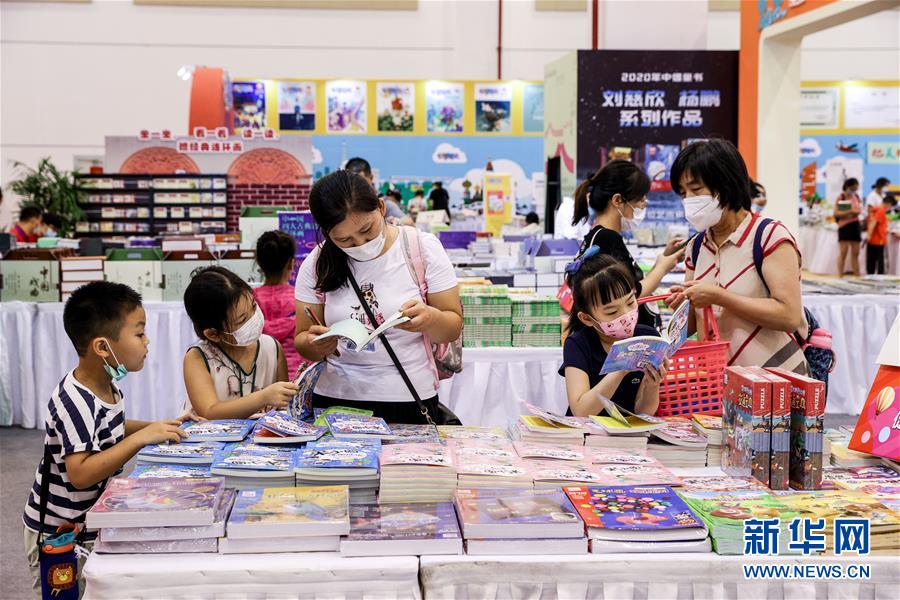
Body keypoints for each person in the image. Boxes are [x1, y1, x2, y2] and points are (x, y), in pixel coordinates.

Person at [22, 281, 191, 597]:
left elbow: (110, 428)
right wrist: (141, 439)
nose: (147, 341)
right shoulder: (75, 400)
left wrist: (154, 426)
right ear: (102, 347)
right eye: (139, 333)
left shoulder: (107, 386)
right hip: (58, 534)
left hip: (86, 524)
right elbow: (81, 474)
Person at [293, 170, 462, 423]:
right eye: (345, 240)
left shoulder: (421, 248)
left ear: (381, 207)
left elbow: (452, 327)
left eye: (367, 230)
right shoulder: (317, 263)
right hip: (336, 398)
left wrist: (430, 318)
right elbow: (302, 339)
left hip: (410, 397)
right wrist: (315, 344)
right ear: (327, 234)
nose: (361, 243)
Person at [667, 139, 808, 374]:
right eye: (683, 193)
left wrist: (721, 297)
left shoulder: (769, 236)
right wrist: (683, 303)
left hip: (775, 379)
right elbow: (691, 325)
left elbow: (789, 316)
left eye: (696, 189)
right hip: (717, 381)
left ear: (725, 183)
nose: (688, 200)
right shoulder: (697, 246)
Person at [573, 160, 684, 328]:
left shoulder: (602, 236)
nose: (644, 204)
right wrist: (662, 268)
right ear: (618, 200)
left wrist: (665, 257)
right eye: (640, 199)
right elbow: (630, 294)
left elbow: (629, 284)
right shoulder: (607, 238)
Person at [183, 266, 298, 419]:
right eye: (242, 320)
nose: (254, 318)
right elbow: (209, 411)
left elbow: (283, 406)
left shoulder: (272, 348)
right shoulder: (198, 358)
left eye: (254, 306)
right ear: (213, 334)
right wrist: (263, 397)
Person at [559, 252, 665, 417]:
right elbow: (581, 411)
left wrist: (653, 385)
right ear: (587, 318)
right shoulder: (578, 344)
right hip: (586, 430)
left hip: (627, 430)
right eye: (612, 312)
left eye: (630, 302)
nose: (626, 315)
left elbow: (643, 412)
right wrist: (620, 368)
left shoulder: (647, 337)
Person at [254, 230, 306, 375]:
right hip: (298, 377)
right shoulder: (302, 300)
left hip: (261, 379)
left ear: (259, 263)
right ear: (291, 263)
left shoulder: (248, 301)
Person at [345, 156, 405, 222]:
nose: (357, 186)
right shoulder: (345, 205)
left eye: (361, 182)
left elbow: (408, 221)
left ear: (371, 177)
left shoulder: (384, 203)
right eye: (352, 182)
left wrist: (394, 222)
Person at [834, 177, 862, 277]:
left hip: (855, 225)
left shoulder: (856, 196)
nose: (854, 191)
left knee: (856, 252)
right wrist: (849, 211)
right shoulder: (841, 197)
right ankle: (840, 275)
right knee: (843, 252)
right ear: (847, 186)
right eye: (853, 188)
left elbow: (859, 210)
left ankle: (857, 274)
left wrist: (855, 212)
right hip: (844, 226)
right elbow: (836, 213)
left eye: (856, 189)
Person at [867, 194, 896, 275]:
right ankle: (880, 277)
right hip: (879, 239)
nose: (890, 208)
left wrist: (869, 235)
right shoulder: (881, 210)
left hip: (873, 239)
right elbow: (874, 222)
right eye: (891, 206)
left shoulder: (875, 209)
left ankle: (870, 276)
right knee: (880, 262)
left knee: (871, 261)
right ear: (889, 204)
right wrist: (869, 234)